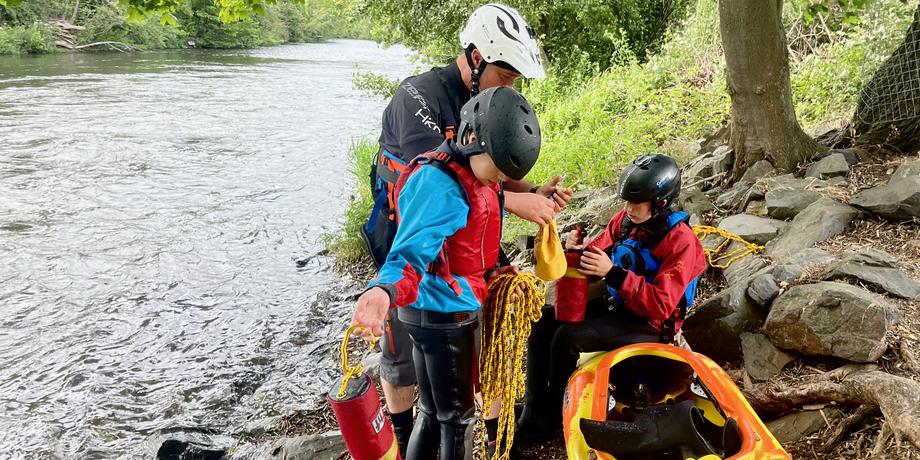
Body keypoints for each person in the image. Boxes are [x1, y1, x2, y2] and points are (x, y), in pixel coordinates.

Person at [360, 4, 573, 456]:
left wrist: (533, 189)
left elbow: (491, 166)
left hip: (463, 258)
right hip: (412, 246)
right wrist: (518, 202)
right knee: (405, 370)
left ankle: (495, 442)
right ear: (476, 58)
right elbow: (441, 185)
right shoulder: (417, 99)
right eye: (506, 73)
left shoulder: (490, 104)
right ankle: (403, 444)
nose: (511, 84)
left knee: (460, 385)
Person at [351, 86, 543, 460]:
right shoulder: (439, 186)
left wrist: (498, 273)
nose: (498, 180)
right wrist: (382, 291)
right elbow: (409, 254)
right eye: (498, 170)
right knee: (458, 420)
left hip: (437, 313)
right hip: (442, 318)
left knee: (434, 412)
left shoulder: (472, 173)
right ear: (473, 139)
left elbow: (470, 241)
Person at [515, 154, 708, 443]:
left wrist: (614, 274)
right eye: (627, 201)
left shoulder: (681, 241)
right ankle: (534, 408)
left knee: (567, 337)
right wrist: (577, 250)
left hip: (652, 325)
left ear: (661, 203)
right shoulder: (627, 221)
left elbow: (661, 303)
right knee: (543, 322)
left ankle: (551, 418)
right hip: (620, 308)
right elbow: (595, 258)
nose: (628, 208)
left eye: (636, 203)